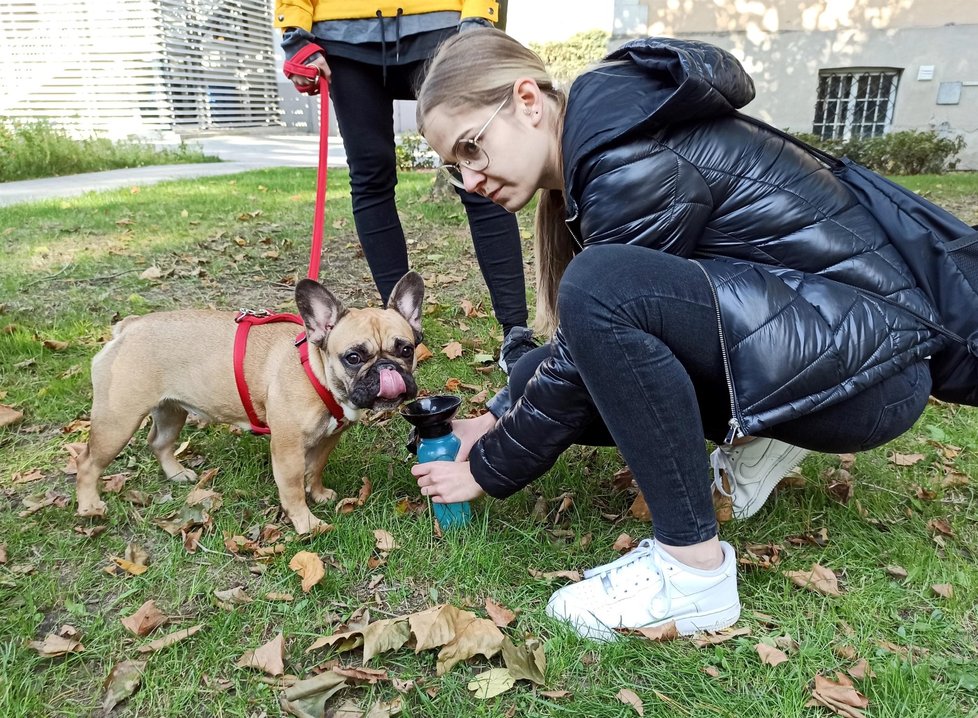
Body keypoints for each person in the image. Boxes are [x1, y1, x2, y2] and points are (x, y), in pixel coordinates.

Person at [409, 29, 972, 641]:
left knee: (599, 286)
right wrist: (499, 412)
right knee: (534, 369)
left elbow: (597, 324)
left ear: (526, 100)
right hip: (830, 352)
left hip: (871, 380)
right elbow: (587, 353)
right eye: (454, 165)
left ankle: (691, 573)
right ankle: (763, 438)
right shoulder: (604, 140)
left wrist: (490, 463)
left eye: (473, 147)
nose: (470, 179)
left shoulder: (626, 155)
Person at [273, 1, 537, 372]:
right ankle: (400, 333)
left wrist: (478, 18)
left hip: (439, 25)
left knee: (475, 164)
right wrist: (295, 32)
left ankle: (516, 331)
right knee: (370, 179)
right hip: (343, 36)